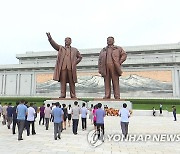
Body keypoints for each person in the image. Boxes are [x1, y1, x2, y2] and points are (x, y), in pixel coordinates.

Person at [46, 32, 82, 98]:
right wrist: (50, 39)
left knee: (72, 82)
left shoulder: (75, 50)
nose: (67, 41)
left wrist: (74, 63)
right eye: (66, 40)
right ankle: (63, 94)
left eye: (68, 40)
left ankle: (73, 95)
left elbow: (80, 57)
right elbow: (54, 45)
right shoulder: (61, 48)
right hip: (63, 68)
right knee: (63, 82)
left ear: (71, 42)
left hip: (71, 68)